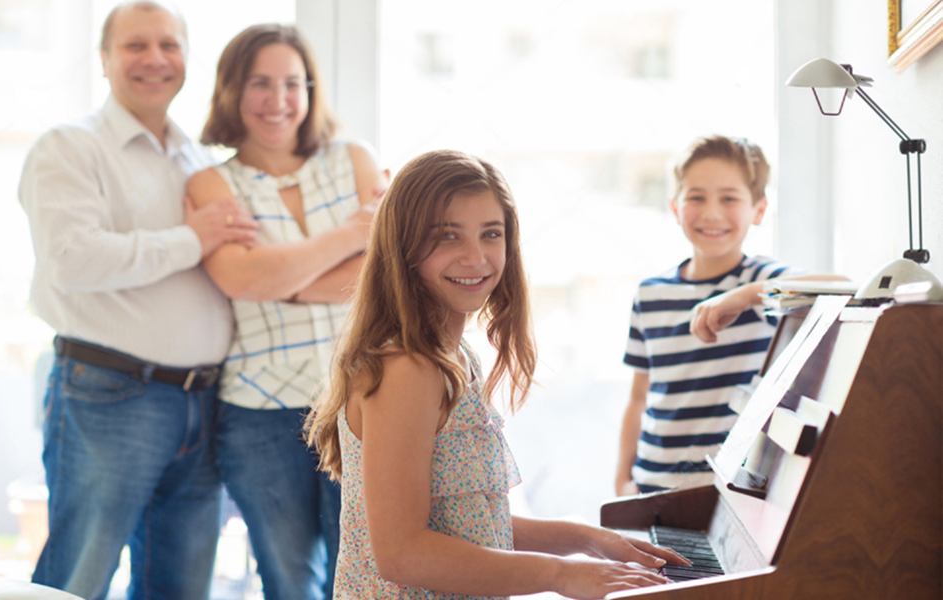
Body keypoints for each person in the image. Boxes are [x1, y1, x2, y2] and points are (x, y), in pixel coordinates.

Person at [306, 149, 688, 600]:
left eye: (491, 234)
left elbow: (471, 523)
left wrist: (588, 539)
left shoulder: (453, 355)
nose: (476, 256)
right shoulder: (407, 369)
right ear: (403, 247)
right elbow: (402, 553)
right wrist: (561, 576)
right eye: (448, 236)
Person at [17, 2, 258, 599]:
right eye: (135, 46)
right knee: (77, 580)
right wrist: (193, 238)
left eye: (169, 45)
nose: (155, 59)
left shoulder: (202, 161)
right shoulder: (68, 148)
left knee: (179, 588)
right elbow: (72, 261)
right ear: (103, 60)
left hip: (203, 401)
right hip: (110, 394)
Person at [186, 24, 386, 600]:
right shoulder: (209, 181)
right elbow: (239, 278)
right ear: (231, 91)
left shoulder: (353, 159)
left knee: (365, 571)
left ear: (311, 90)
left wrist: (282, 278)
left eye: (292, 83)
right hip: (259, 411)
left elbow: (385, 274)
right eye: (260, 83)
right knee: (289, 579)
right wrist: (352, 231)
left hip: (359, 400)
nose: (278, 101)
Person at [613, 135, 824, 496]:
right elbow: (638, 397)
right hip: (651, 484)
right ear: (675, 207)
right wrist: (622, 480)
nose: (712, 213)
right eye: (696, 197)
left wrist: (744, 297)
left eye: (729, 198)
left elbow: (835, 287)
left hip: (725, 488)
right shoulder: (650, 293)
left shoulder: (759, 281)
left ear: (759, 209)